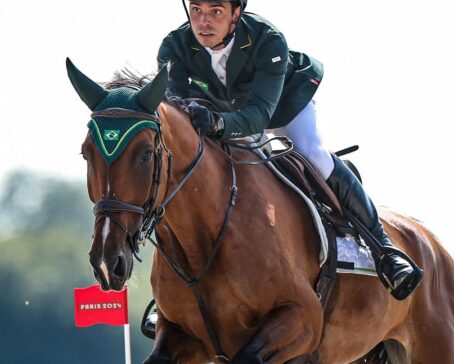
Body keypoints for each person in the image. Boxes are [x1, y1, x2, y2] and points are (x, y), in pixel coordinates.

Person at [157, 0, 422, 300]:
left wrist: (217, 123)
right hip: (224, 110)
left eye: (215, 11)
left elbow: (258, 117)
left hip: (283, 105)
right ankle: (175, 285)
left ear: (236, 13)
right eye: (196, 10)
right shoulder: (174, 45)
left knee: (314, 154)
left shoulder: (268, 39)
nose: (203, 22)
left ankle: (384, 249)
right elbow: (175, 111)